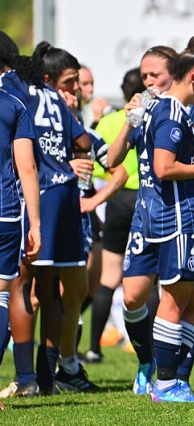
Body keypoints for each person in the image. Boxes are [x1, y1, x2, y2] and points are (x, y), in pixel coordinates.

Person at [109, 37, 194, 402]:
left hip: (178, 214)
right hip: (170, 217)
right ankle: (165, 380)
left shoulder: (188, 111)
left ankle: (175, 378)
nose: (147, 83)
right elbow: (160, 166)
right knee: (165, 298)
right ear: (192, 77)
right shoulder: (168, 113)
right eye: (143, 76)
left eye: (153, 74)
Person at [0, 40, 94, 397]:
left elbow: (23, 156)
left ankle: (26, 378)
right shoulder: (54, 97)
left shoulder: (13, 91)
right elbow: (84, 141)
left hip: (34, 197)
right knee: (50, 290)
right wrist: (64, 161)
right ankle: (46, 375)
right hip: (67, 195)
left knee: (20, 287)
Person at [83, 67, 146, 363]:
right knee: (152, 279)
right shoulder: (151, 117)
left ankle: (94, 348)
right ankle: (151, 349)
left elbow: (96, 164)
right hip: (147, 198)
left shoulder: (108, 122)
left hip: (118, 202)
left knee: (108, 277)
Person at [0, 34, 42, 393]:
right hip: (7, 212)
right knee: (1, 296)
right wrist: (36, 224)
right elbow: (27, 169)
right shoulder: (15, 104)